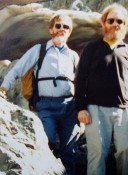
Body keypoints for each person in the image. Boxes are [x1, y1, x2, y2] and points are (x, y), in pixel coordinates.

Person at [0, 14, 80, 175]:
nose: (62, 29)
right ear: (51, 29)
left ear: (69, 32)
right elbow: (17, 69)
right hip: (46, 106)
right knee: (47, 140)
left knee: (69, 149)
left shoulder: (73, 56)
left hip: (70, 107)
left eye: (66, 27)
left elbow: (83, 82)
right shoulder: (39, 50)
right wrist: (3, 88)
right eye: (58, 26)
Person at [75, 3, 128, 175]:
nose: (115, 24)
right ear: (103, 23)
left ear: (125, 24)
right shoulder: (91, 48)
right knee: (97, 154)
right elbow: (80, 80)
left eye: (119, 21)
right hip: (95, 110)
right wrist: (81, 108)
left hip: (125, 111)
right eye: (111, 20)